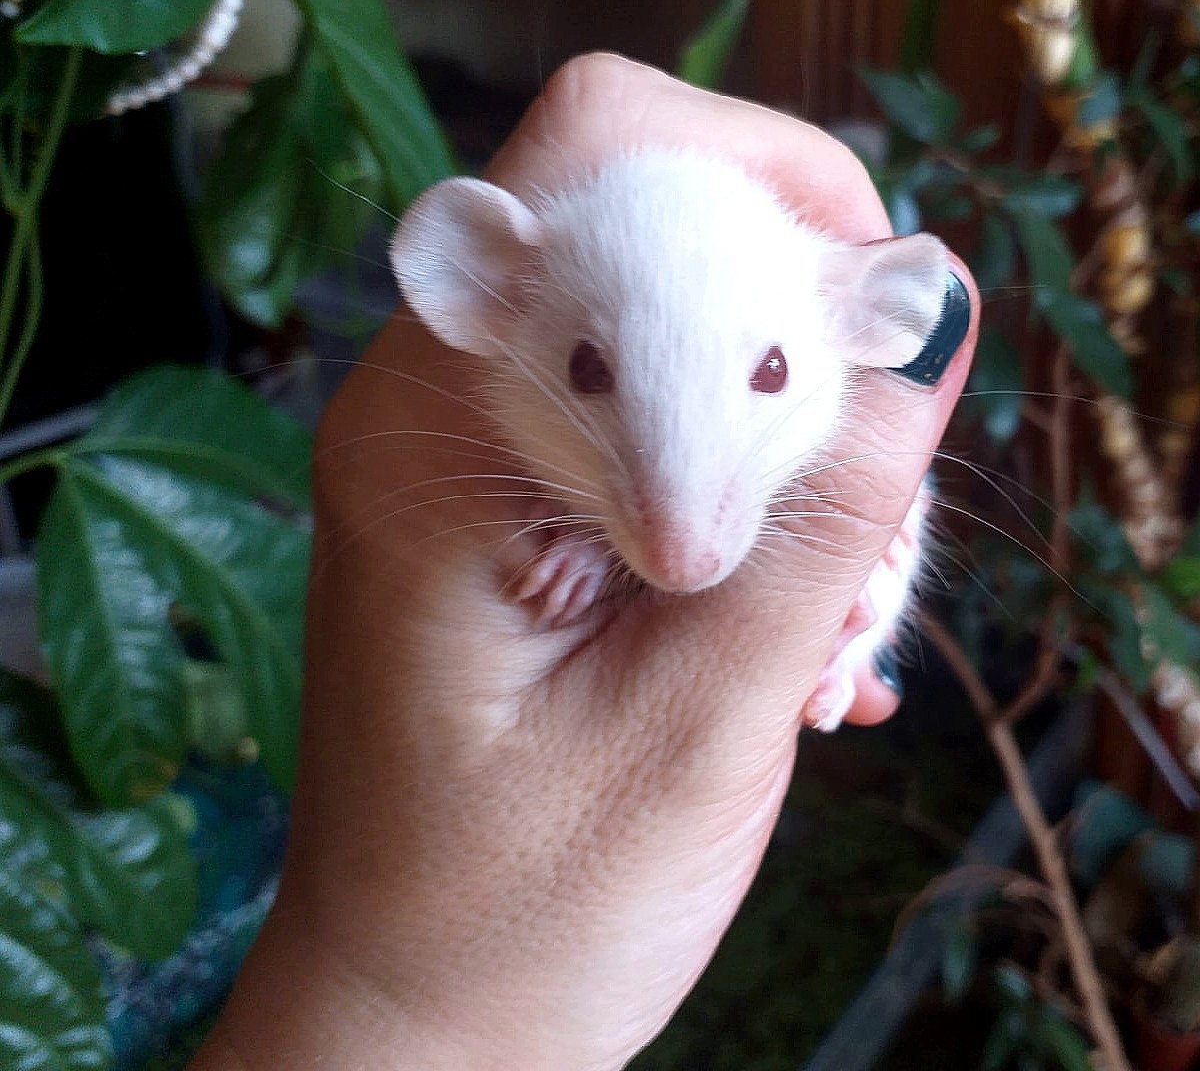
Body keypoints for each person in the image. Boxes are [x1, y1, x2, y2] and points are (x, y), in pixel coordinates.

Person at [190, 53, 976, 1071]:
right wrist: (399, 999)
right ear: (489, 288)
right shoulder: (514, 413)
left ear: (862, 310)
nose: (685, 549)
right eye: (590, 369)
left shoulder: (807, 327)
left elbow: (868, 510)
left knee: (891, 533)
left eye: (771, 371)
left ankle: (843, 644)